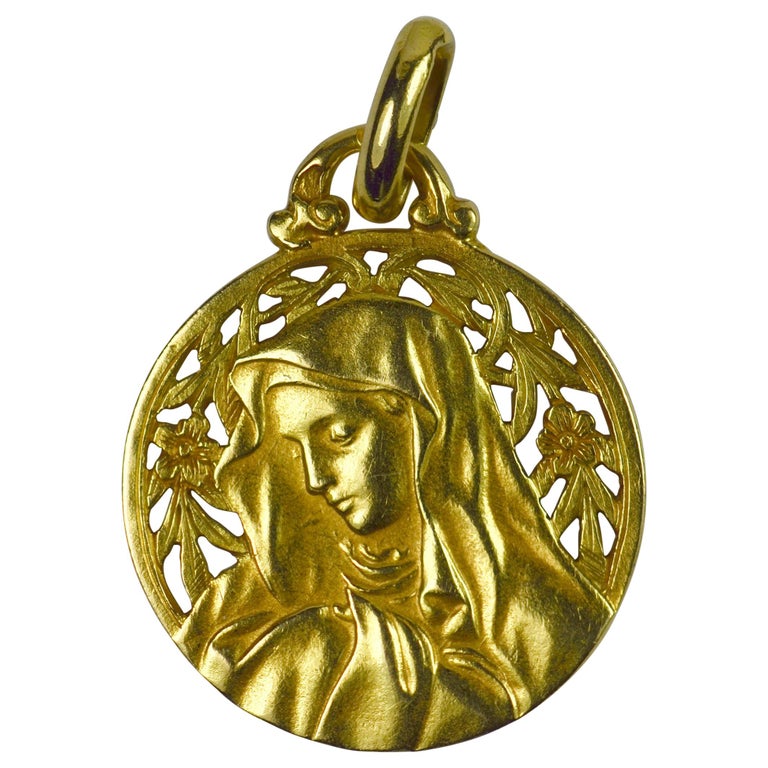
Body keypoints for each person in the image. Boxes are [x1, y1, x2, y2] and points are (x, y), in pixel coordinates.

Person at [176, 297, 610, 750]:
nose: (315, 479)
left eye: (338, 436)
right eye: (296, 447)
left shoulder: (541, 619)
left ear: (418, 420)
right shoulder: (236, 607)